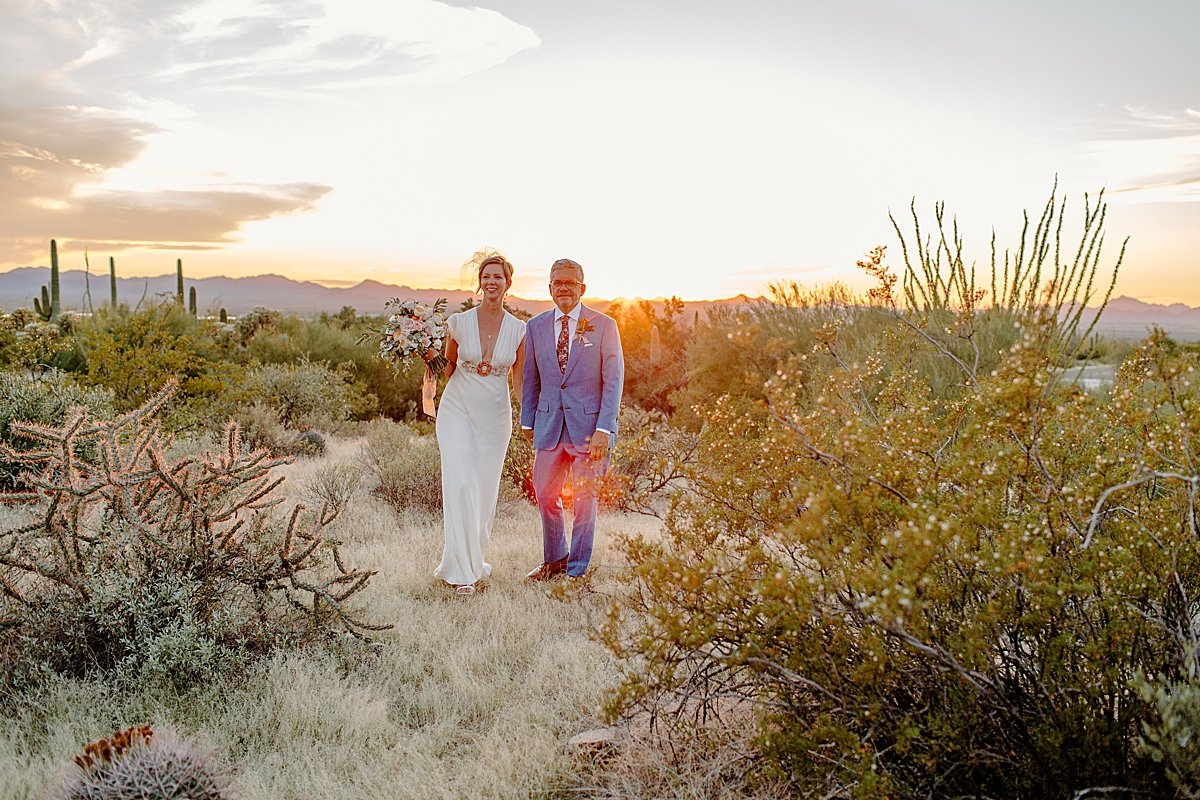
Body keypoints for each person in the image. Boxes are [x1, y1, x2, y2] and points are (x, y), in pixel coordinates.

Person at [521, 258, 624, 581]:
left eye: (570, 282)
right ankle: (555, 560)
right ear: (550, 287)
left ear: (582, 288)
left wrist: (604, 428)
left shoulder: (604, 325)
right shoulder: (535, 327)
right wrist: (528, 420)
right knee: (545, 493)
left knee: (584, 501)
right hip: (549, 426)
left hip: (590, 430)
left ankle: (576, 571)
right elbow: (531, 378)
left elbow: (613, 379)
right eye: (557, 282)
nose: (563, 288)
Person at [431, 252, 527, 595]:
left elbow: (519, 381)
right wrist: (428, 355)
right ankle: (461, 574)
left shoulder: (519, 329)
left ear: (508, 283)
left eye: (498, 277)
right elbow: (447, 369)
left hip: (496, 415)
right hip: (457, 408)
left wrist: (530, 416)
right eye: (486, 276)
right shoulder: (458, 323)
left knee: (485, 491)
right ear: (479, 282)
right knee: (459, 482)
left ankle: (472, 560)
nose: (491, 282)